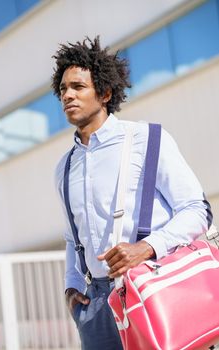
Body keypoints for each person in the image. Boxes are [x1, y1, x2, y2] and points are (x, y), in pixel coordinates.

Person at [52, 36, 212, 350]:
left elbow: (198, 210)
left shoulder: (147, 139)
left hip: (155, 288)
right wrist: (72, 288)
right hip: (95, 306)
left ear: (105, 93)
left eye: (78, 87)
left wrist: (146, 247)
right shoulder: (64, 166)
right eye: (63, 89)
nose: (67, 95)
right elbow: (73, 237)